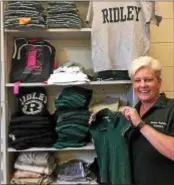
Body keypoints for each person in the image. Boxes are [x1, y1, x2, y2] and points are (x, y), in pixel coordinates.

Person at [121, 56, 174, 185]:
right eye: (137, 80)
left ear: (159, 82)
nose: (142, 85)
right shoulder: (132, 112)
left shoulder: (171, 109)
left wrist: (141, 124)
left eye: (148, 80)